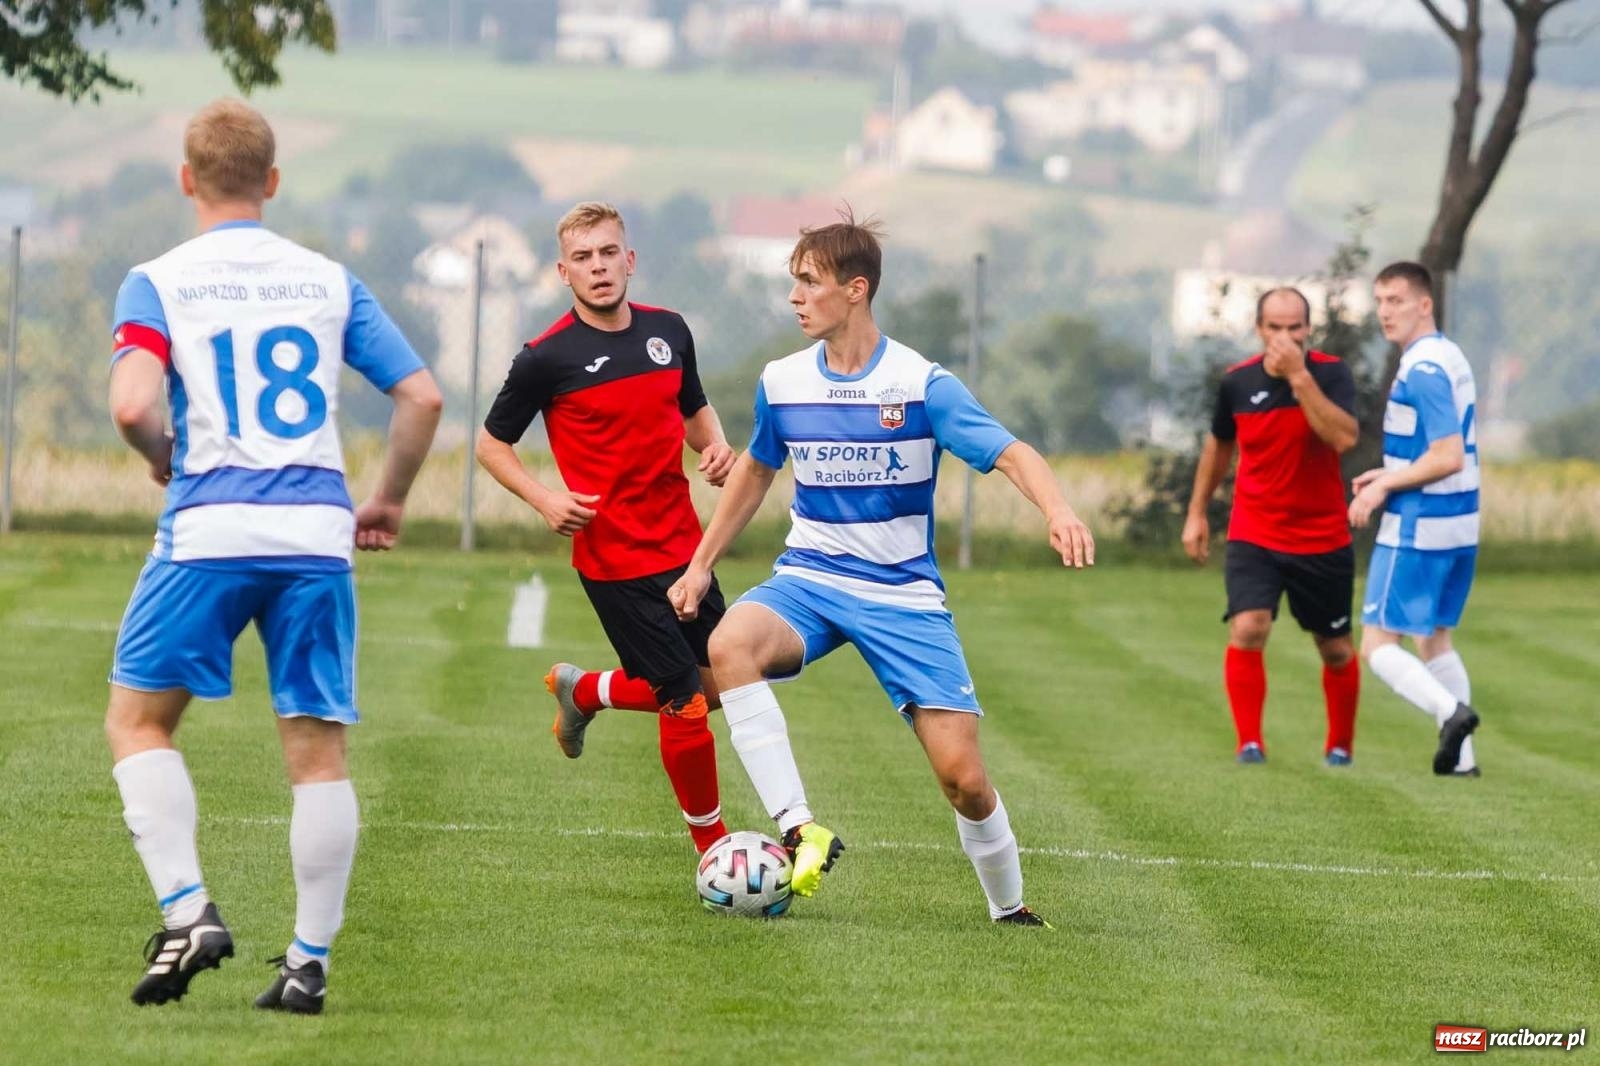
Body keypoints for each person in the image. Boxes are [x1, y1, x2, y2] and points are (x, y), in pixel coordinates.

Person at [105, 99, 442, 1013]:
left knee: (138, 722)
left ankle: (189, 913)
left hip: (210, 528)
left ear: (187, 180)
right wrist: (390, 499)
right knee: (316, 753)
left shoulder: (158, 280)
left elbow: (135, 405)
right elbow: (421, 397)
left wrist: (162, 460)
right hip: (314, 537)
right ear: (274, 182)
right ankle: (306, 965)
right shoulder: (328, 280)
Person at [666, 211, 1095, 926]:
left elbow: (1013, 453)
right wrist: (702, 565)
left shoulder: (920, 384)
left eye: (809, 282)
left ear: (856, 289)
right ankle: (800, 827)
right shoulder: (783, 381)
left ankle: (1009, 909)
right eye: (793, 282)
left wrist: (1059, 511)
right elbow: (754, 472)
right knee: (729, 644)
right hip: (809, 577)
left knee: (963, 781)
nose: (796, 297)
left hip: (902, 594)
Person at [476, 202, 737, 853]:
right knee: (685, 701)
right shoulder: (545, 358)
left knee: (720, 683)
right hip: (614, 560)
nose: (598, 267)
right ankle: (716, 851)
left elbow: (693, 406)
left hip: (687, 549)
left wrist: (715, 446)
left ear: (630, 259)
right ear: (564, 271)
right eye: (584, 258)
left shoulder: (669, 331)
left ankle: (585, 690)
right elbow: (490, 445)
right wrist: (543, 498)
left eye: (608, 253)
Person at [1182, 289, 1362, 766]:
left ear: (1308, 328)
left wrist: (1300, 378)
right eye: (1276, 327)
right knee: (1248, 626)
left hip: (1322, 536)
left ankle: (1340, 747)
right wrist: (1197, 512)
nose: (1286, 337)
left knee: (1336, 648)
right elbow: (1219, 447)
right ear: (1259, 329)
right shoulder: (1237, 383)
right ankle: (1249, 744)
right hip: (1255, 530)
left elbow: (1342, 436)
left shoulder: (1330, 373)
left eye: (1295, 327)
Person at [1349, 261, 1481, 776]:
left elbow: (1447, 454)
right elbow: (1441, 451)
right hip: (1459, 523)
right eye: (1380, 301)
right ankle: (1462, 763)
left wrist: (1384, 484)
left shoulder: (1423, 368)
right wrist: (1390, 469)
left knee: (1378, 644)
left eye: (1397, 300)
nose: (1386, 312)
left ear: (1424, 304)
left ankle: (1450, 714)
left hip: (1420, 526)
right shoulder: (1449, 355)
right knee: (1435, 639)